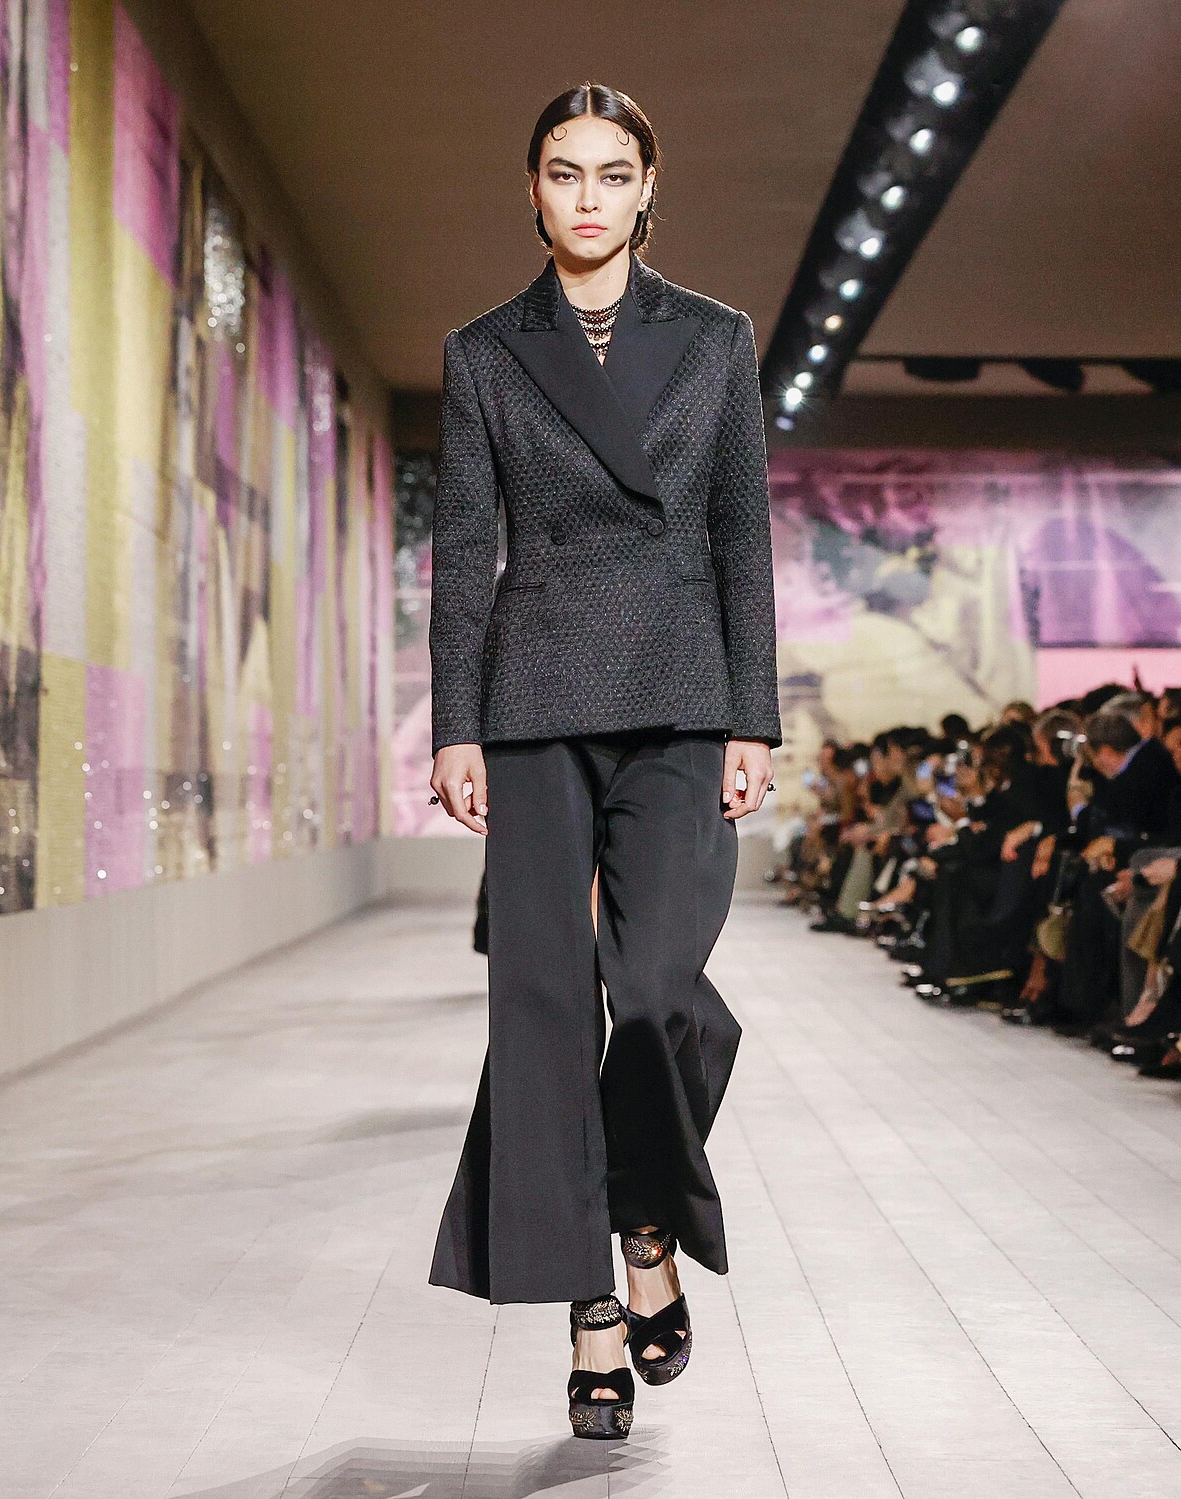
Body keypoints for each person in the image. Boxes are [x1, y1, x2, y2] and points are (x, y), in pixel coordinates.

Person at [424, 81, 783, 1441]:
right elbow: (468, 550)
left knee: (656, 990)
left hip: (684, 696)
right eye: (564, 172)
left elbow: (740, 533)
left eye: (612, 172)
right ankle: (592, 1305)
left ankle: (643, 1215)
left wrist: (753, 714)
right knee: (541, 1007)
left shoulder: (716, 338)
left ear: (647, 190)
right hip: (535, 698)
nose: (588, 195)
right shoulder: (484, 352)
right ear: (532, 191)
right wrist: (455, 722)